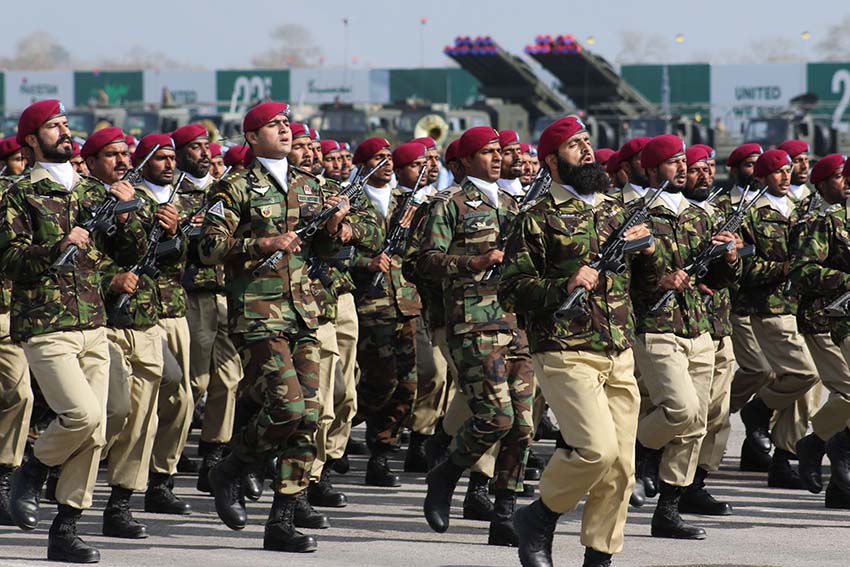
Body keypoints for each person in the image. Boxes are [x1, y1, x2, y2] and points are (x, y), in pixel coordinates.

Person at [499, 116, 654, 567]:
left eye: (587, 142)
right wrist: (564, 285)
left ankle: (600, 556)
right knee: (595, 449)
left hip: (617, 347)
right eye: (573, 146)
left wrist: (648, 253)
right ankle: (540, 516)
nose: (586, 151)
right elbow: (511, 288)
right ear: (551, 161)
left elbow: (646, 286)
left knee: (621, 467)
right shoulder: (536, 217)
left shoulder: (619, 212)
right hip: (565, 349)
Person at [199, 101, 351, 553]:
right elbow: (208, 246)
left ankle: (281, 519)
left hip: (305, 311)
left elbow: (325, 250)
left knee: (309, 418)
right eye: (274, 125)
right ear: (251, 137)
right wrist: (262, 242)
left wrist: (338, 226)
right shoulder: (235, 187)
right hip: (260, 315)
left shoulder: (310, 185)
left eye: (287, 124)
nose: (285, 130)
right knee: (286, 408)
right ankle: (230, 467)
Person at [1, 99, 146, 563]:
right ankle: (32, 469)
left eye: (65, 124)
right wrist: (56, 246)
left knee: (99, 428)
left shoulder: (90, 191)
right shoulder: (16, 194)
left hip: (94, 323)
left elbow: (118, 253)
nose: (64, 132)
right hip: (47, 326)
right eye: (52, 126)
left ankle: (65, 529)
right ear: (30, 139)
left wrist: (127, 216)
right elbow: (10, 260)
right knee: (81, 415)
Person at [419, 126, 535, 547]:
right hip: (474, 322)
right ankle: (446, 474)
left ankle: (504, 513)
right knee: (495, 417)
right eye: (487, 153)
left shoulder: (513, 202)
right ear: (466, 161)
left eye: (498, 152)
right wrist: (474, 262)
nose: (497, 158)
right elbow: (426, 262)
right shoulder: (448, 203)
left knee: (523, 426)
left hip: (516, 323)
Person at [629, 134, 741, 540]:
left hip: (699, 328)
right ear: (652, 168)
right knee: (681, 410)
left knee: (697, 423)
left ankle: (668, 510)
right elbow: (616, 281)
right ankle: (638, 452)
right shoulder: (635, 215)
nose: (681, 168)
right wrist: (659, 282)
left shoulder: (700, 216)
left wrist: (729, 257)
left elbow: (721, 281)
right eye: (672, 162)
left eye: (682, 161)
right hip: (656, 328)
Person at [737, 149, 820, 489]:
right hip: (768, 308)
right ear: (759, 177)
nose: (786, 177)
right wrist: (787, 268)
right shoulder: (750, 215)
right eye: (776, 172)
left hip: (801, 308)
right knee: (804, 374)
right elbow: (744, 268)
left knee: (806, 391)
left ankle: (785, 458)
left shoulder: (804, 209)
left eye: (788, 171)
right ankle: (757, 409)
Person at [349, 140, 422, 486]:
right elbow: (332, 254)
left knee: (407, 386)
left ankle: (381, 454)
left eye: (389, 158)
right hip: (369, 305)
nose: (386, 163)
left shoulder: (405, 202)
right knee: (378, 382)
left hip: (403, 305)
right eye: (378, 158)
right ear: (363, 165)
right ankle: (335, 429)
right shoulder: (350, 202)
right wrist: (366, 262)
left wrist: (410, 229)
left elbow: (419, 253)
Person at [676, 145, 733, 516]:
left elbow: (734, 275)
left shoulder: (719, 214)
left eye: (710, 168)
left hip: (717, 322)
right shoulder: (668, 216)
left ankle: (696, 481)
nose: (705, 175)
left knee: (717, 412)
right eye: (697, 169)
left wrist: (730, 257)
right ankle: (651, 462)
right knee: (682, 410)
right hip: (678, 325)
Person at [791, 155, 850, 508]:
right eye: (839, 177)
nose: (843, 182)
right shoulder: (822, 222)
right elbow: (803, 271)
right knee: (847, 392)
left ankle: (838, 486)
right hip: (824, 319)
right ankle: (819, 444)